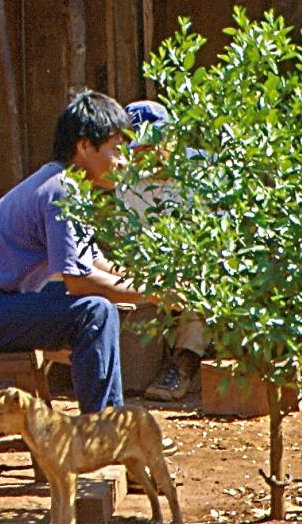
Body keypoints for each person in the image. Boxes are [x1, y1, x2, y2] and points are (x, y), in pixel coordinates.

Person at [0, 90, 161, 414]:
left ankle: (111, 423)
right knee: (95, 310)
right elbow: (79, 283)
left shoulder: (68, 186)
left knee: (99, 308)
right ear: (83, 146)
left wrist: (151, 280)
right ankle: (104, 427)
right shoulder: (60, 189)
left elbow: (93, 262)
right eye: (116, 149)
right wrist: (155, 293)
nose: (123, 161)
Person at [111, 100, 208, 402]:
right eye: (137, 150)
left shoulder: (202, 171)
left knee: (206, 280)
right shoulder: (126, 182)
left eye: (152, 147)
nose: (145, 157)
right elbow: (126, 243)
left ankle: (183, 363)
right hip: (152, 267)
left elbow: (218, 239)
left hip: (199, 263)